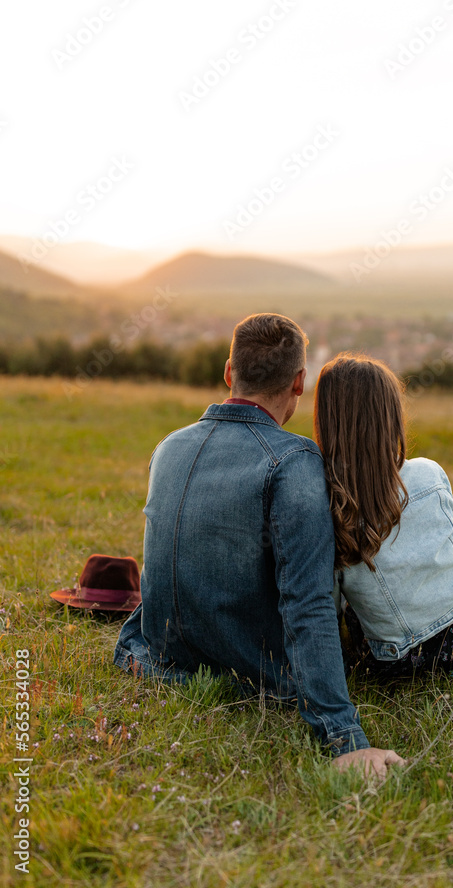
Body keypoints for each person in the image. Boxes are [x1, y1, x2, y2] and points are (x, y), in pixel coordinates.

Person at [114, 314, 404, 778]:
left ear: (229, 372)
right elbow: (307, 603)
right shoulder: (294, 462)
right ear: (299, 383)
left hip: (157, 655)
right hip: (256, 672)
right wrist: (345, 740)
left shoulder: (168, 446)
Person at [313, 353, 453, 681]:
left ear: (326, 420)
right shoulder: (429, 474)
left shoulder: (328, 505)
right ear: (392, 417)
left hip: (398, 664)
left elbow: (328, 605)